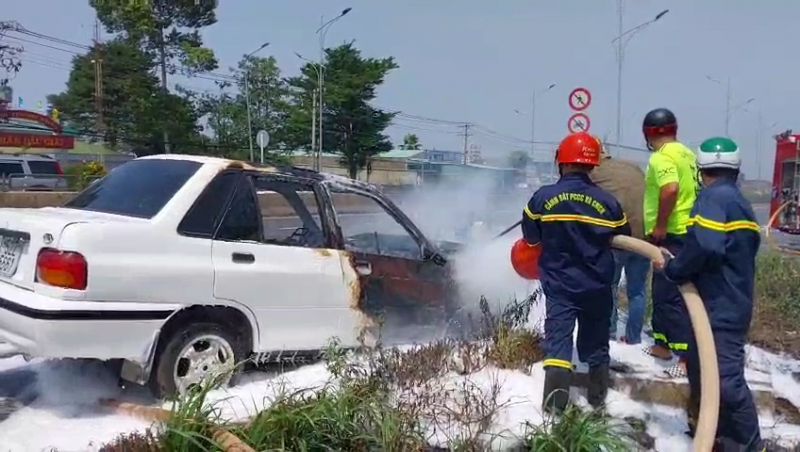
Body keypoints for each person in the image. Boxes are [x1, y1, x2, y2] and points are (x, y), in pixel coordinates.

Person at [657, 137, 764, 451]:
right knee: (705, 377)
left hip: (720, 308)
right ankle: (721, 439)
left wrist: (674, 270)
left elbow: (705, 245)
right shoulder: (738, 202)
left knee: (725, 383)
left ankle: (751, 445)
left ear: (701, 168)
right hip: (723, 304)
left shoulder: (713, 199)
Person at [520, 132, 631, 413]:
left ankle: (554, 408)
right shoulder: (608, 202)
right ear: (593, 165)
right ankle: (597, 403)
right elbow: (623, 238)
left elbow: (530, 238)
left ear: (561, 162)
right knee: (596, 342)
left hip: (560, 285)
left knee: (558, 340)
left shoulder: (543, 198)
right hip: (596, 284)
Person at [642, 107, 698, 377]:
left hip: (672, 233)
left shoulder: (661, 158)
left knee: (671, 296)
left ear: (649, 133)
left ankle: (686, 358)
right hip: (687, 232)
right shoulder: (688, 155)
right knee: (666, 292)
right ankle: (662, 345)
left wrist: (661, 225)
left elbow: (670, 189)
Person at [589, 146, 650, 344]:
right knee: (637, 290)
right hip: (643, 239)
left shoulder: (593, 172)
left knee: (609, 287)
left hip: (616, 238)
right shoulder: (632, 166)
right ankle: (633, 338)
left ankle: (609, 333)